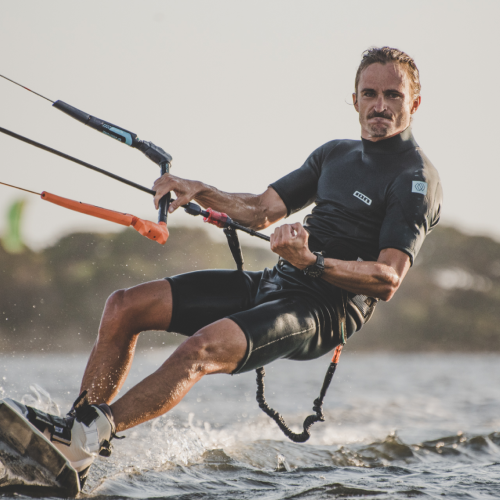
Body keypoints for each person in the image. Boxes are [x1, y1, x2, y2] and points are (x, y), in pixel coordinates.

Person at [5, 46, 442, 483]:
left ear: (415, 103)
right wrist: (199, 190)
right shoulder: (335, 154)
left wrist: (312, 261)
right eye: (370, 94)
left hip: (322, 311)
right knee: (124, 306)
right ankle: (71, 446)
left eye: (393, 95)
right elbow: (260, 210)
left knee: (202, 348)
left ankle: (87, 434)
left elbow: (388, 278)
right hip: (277, 281)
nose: (380, 106)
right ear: (355, 98)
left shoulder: (415, 178)